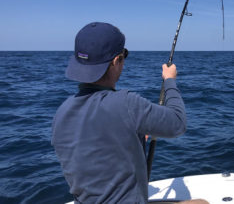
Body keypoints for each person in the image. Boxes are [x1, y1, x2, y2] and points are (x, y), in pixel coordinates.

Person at [52, 22, 203, 203]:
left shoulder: (61, 113)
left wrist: (134, 138)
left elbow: (96, 153)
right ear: (116, 61)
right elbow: (178, 123)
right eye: (124, 56)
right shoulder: (127, 104)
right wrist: (170, 80)